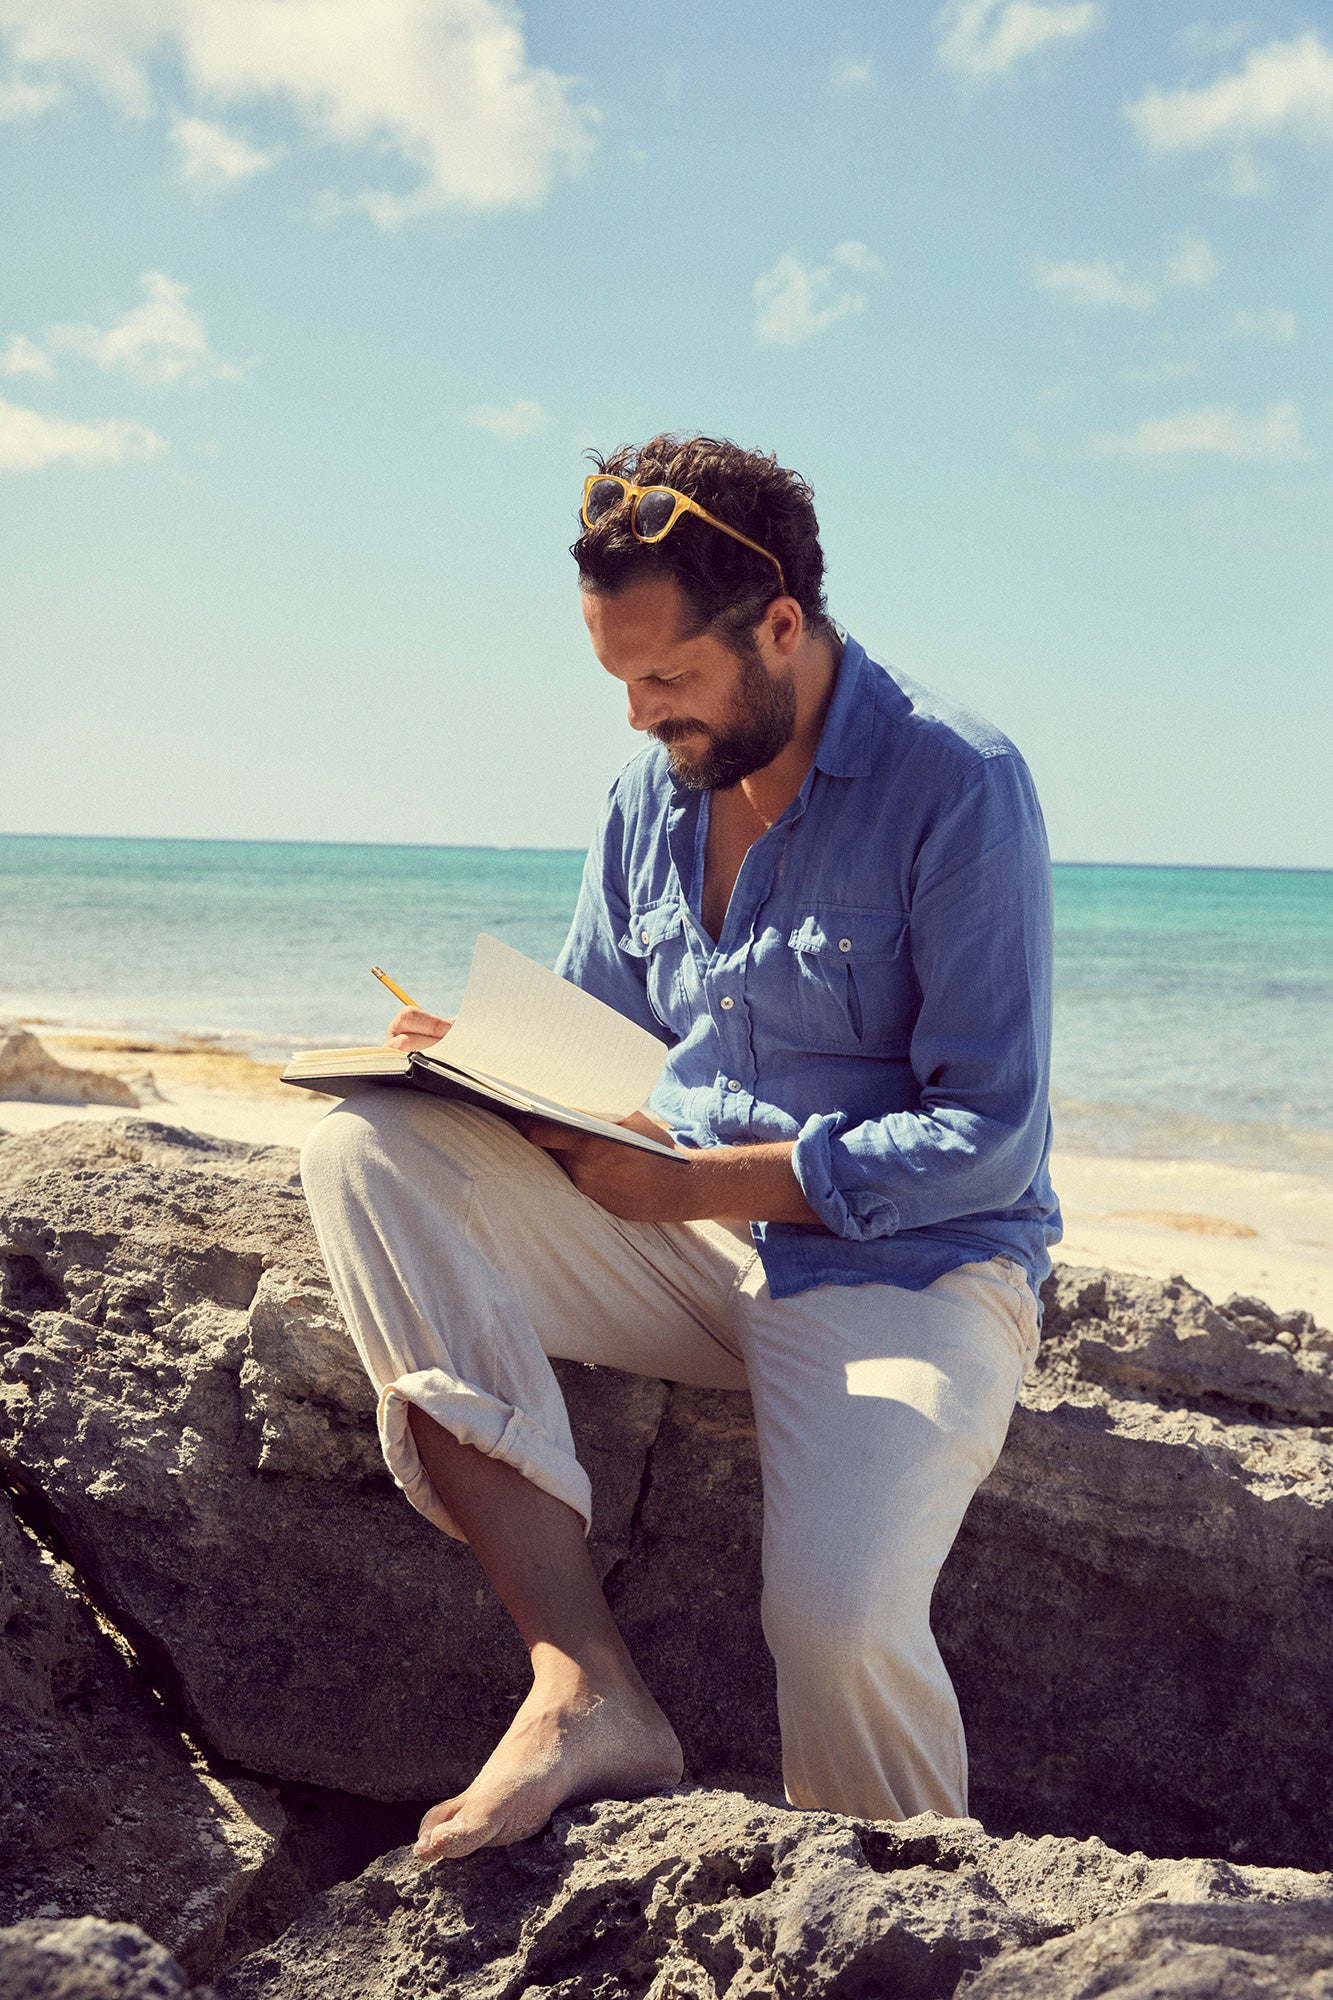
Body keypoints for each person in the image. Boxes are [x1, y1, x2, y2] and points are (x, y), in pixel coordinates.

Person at [300, 433, 1062, 1863]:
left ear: (778, 622)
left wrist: (702, 1182)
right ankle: (584, 1684)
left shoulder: (958, 780)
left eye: (668, 677)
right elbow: (606, 1049)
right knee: (366, 1151)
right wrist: (485, 1064)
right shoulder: (647, 796)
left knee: (835, 1621)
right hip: (680, 1248)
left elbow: (988, 1139)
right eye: (621, 684)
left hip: (904, 1269)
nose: (645, 715)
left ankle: (909, 1919)